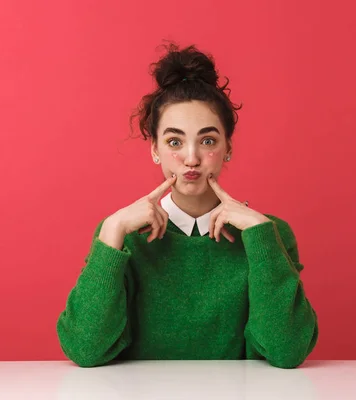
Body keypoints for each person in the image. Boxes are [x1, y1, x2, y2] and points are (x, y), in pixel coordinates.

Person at [56, 43, 318, 369]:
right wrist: (111, 231)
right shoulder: (124, 235)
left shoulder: (268, 233)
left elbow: (287, 351)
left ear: (228, 148)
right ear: (154, 149)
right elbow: (84, 349)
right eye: (174, 142)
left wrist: (260, 233)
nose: (191, 158)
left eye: (207, 141)